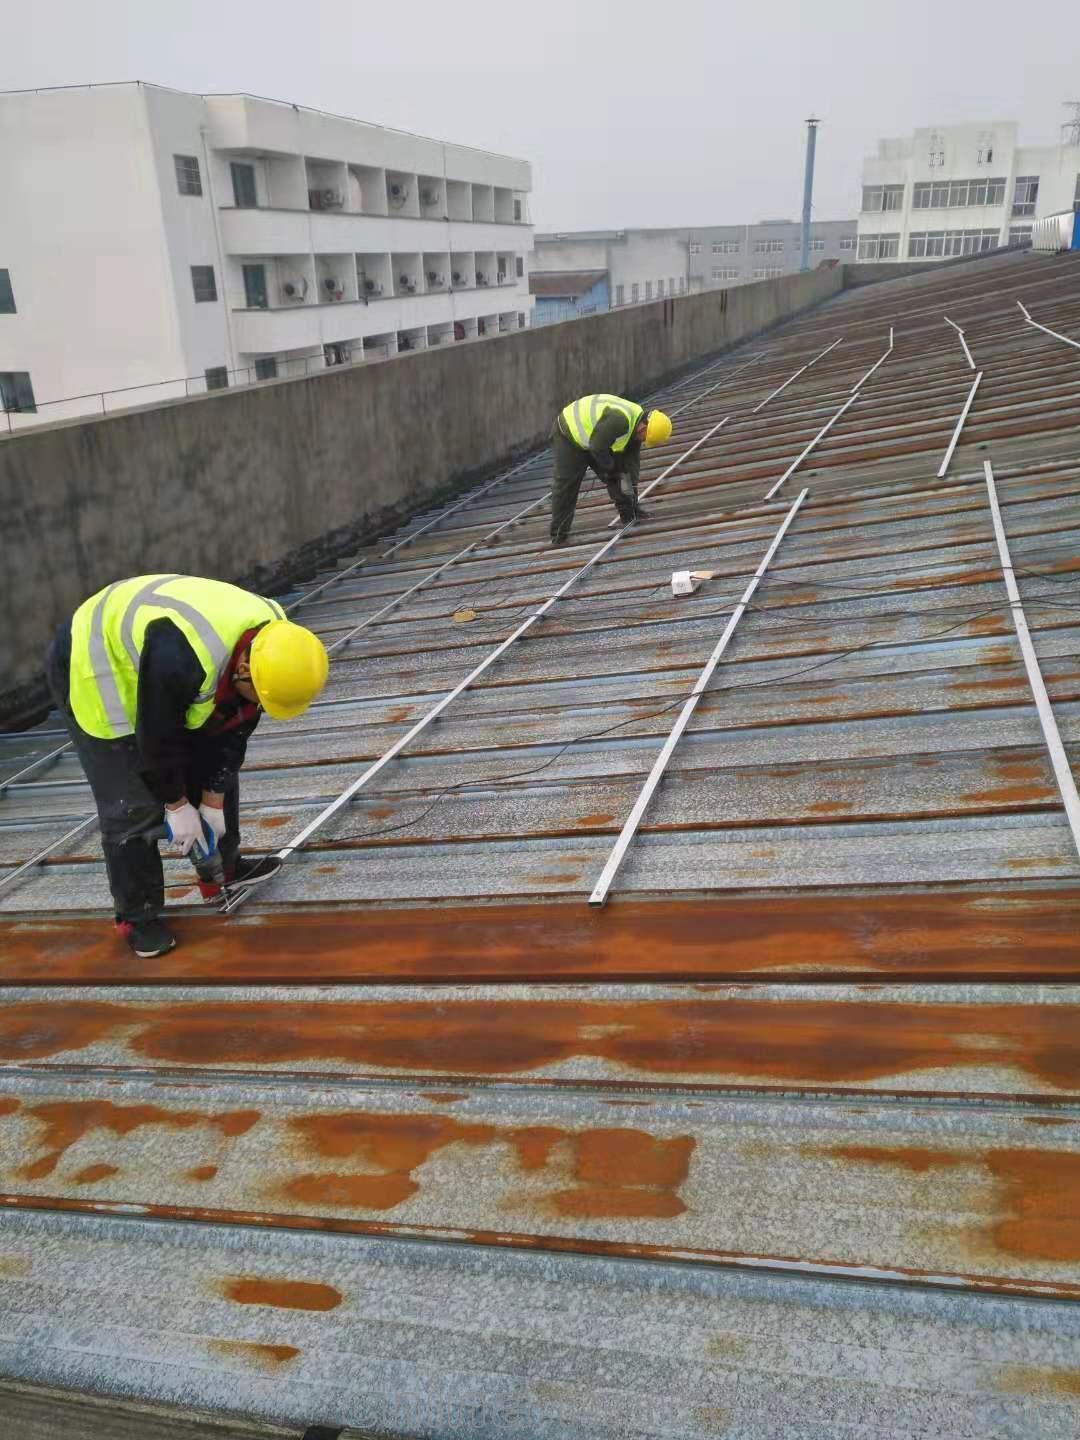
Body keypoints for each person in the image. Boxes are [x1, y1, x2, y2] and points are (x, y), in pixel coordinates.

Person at [45, 574, 329, 957]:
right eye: (259, 696)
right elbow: (157, 739)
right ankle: (138, 914)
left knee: (216, 772)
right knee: (133, 801)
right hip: (95, 662)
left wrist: (211, 800)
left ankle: (222, 870)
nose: (259, 706)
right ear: (244, 669)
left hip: (162, 661)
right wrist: (177, 806)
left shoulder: (276, 640)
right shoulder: (183, 655)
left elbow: (236, 726)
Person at [549, 395, 673, 546]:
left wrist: (633, 506)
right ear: (644, 427)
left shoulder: (637, 425)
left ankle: (629, 515)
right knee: (567, 484)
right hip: (568, 433)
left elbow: (629, 471)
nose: (643, 441)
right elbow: (597, 447)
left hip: (597, 439)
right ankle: (559, 536)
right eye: (645, 437)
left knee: (621, 476)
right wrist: (610, 468)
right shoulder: (620, 421)